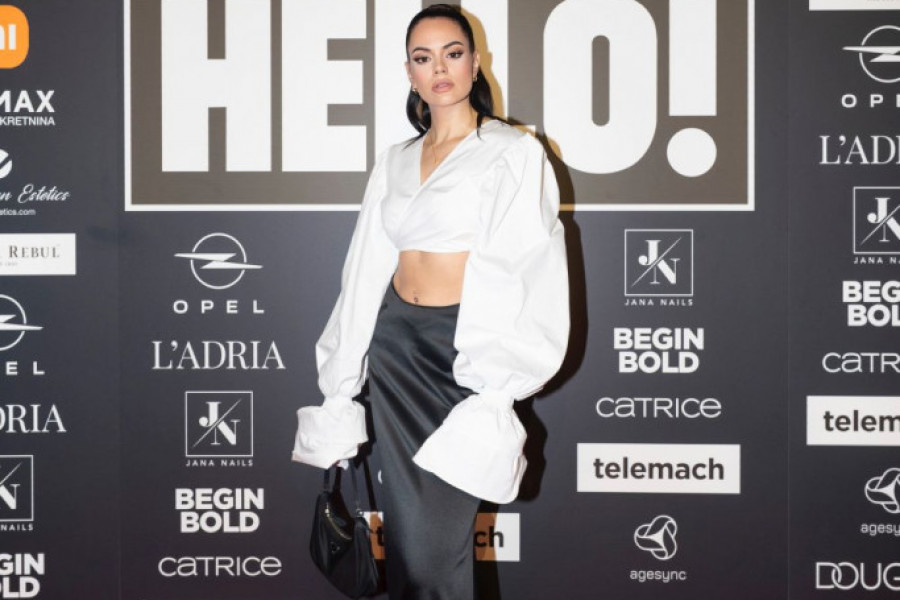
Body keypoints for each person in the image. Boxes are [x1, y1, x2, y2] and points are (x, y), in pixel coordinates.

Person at [292, 4, 569, 598]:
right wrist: (342, 380)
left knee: (432, 556)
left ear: (475, 63)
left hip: (461, 359)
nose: (439, 68)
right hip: (395, 355)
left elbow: (527, 269)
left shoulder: (512, 151)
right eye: (424, 58)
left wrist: (497, 386)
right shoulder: (395, 159)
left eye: (452, 53)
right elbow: (364, 267)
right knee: (410, 549)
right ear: (410, 73)